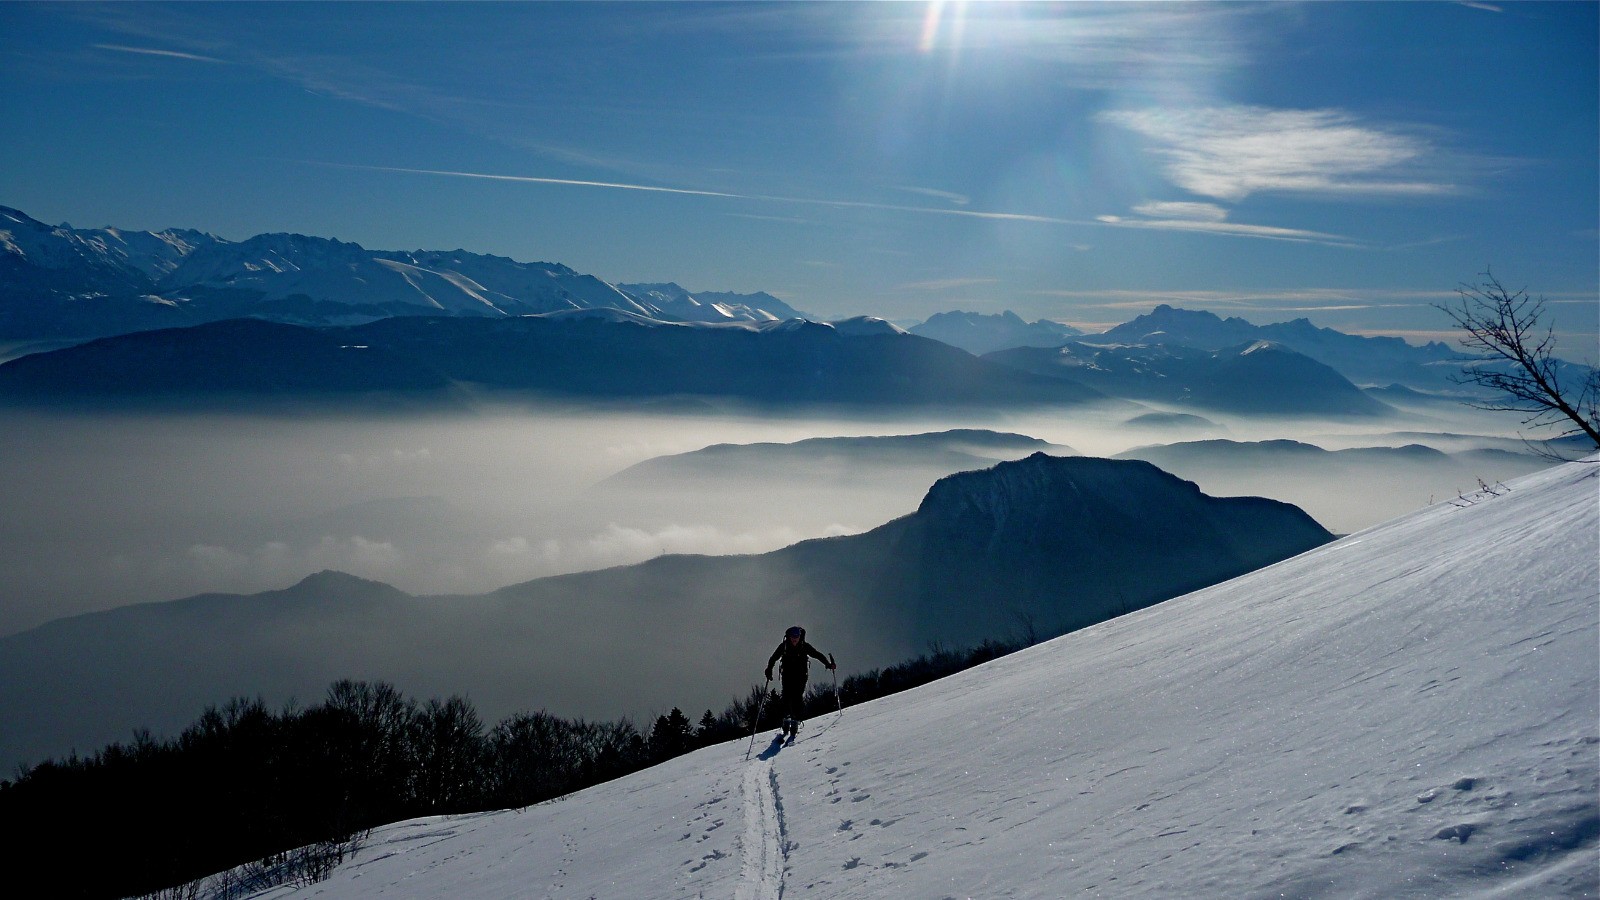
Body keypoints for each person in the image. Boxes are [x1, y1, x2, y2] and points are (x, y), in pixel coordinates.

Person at [765, 625, 835, 739]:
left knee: (797, 698)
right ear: (789, 636)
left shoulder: (804, 646)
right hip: (787, 676)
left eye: (796, 636)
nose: (794, 639)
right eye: (792, 636)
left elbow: (817, 655)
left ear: (799, 637)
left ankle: (795, 721)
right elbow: (773, 658)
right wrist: (769, 669)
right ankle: (786, 719)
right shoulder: (784, 646)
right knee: (786, 697)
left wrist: (827, 664)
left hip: (800, 677)